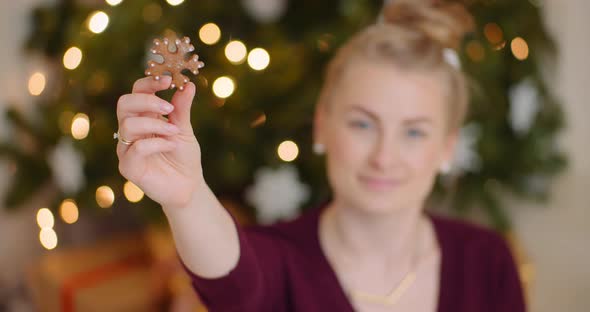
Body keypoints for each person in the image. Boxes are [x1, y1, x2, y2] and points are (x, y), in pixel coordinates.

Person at [115, 1, 525, 311]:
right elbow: (234, 278)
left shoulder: (487, 261)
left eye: (414, 132)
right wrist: (187, 198)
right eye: (362, 124)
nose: (384, 157)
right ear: (323, 125)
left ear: (447, 147)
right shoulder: (279, 262)